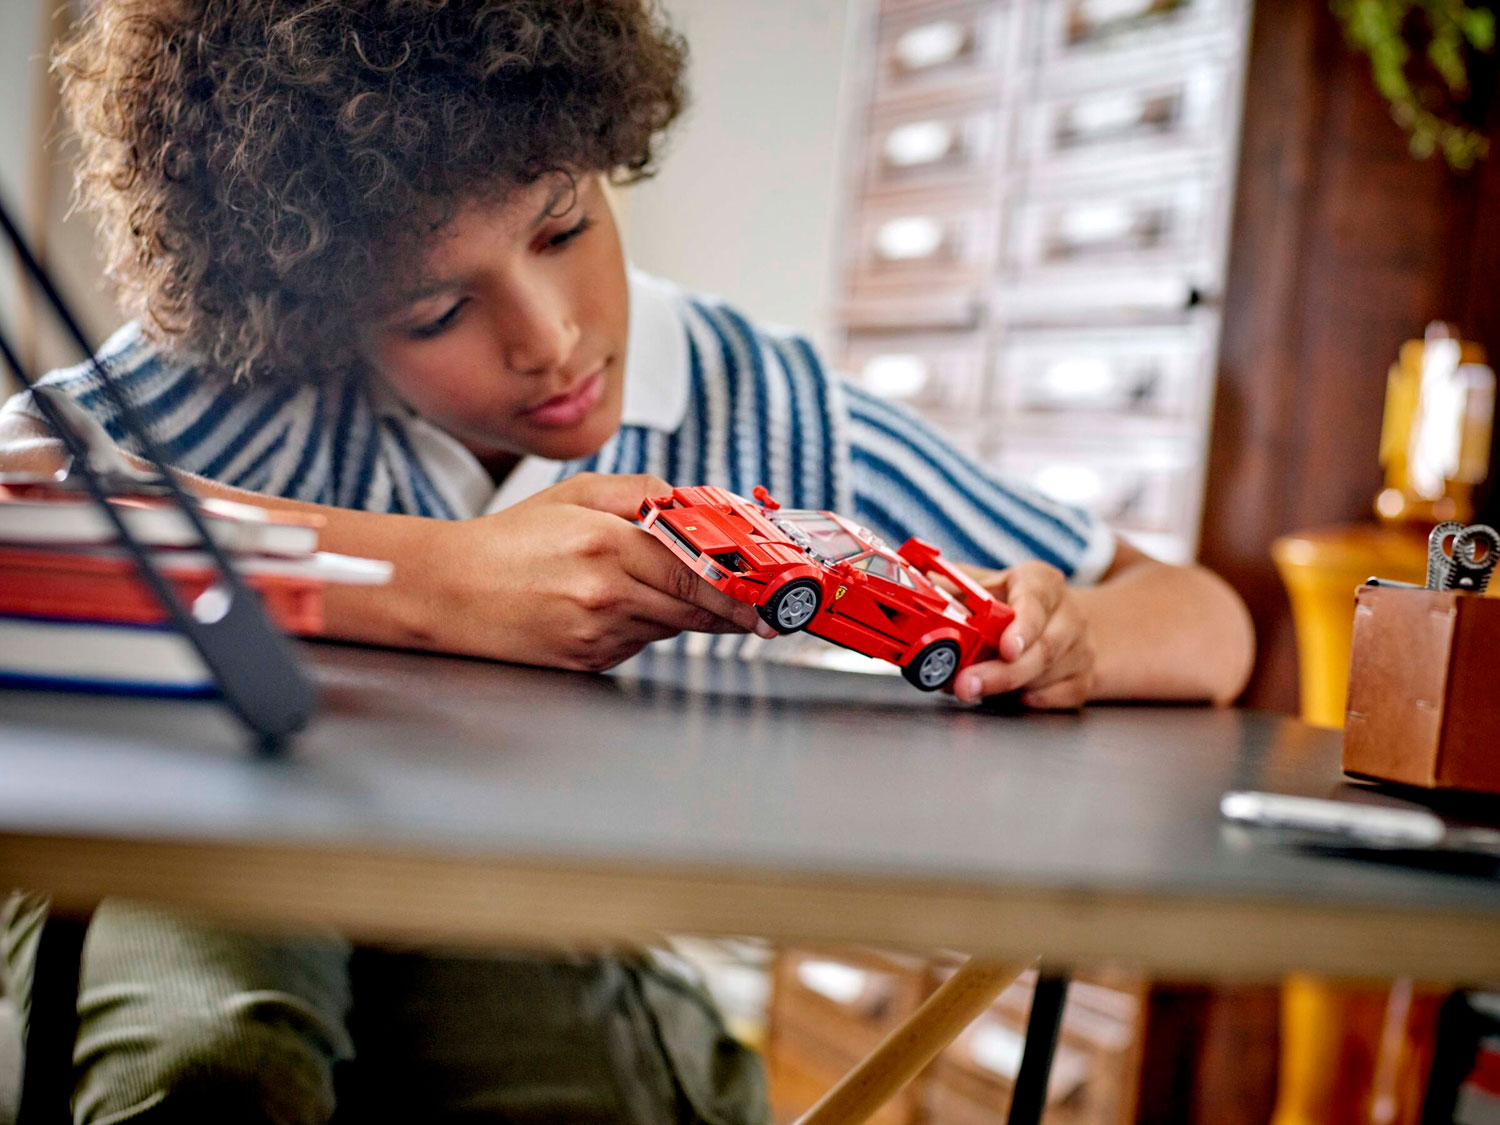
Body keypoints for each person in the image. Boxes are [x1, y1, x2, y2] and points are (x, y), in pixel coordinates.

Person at [0, 1, 1256, 1121]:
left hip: (522, 906)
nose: (549, 341)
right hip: (220, 855)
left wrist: (1069, 639)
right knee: (210, 1066)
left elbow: (1205, 622)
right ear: (312, 309)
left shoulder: (762, 411)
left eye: (564, 228)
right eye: (435, 312)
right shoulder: (243, 380)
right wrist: (441, 585)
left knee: (580, 1084)